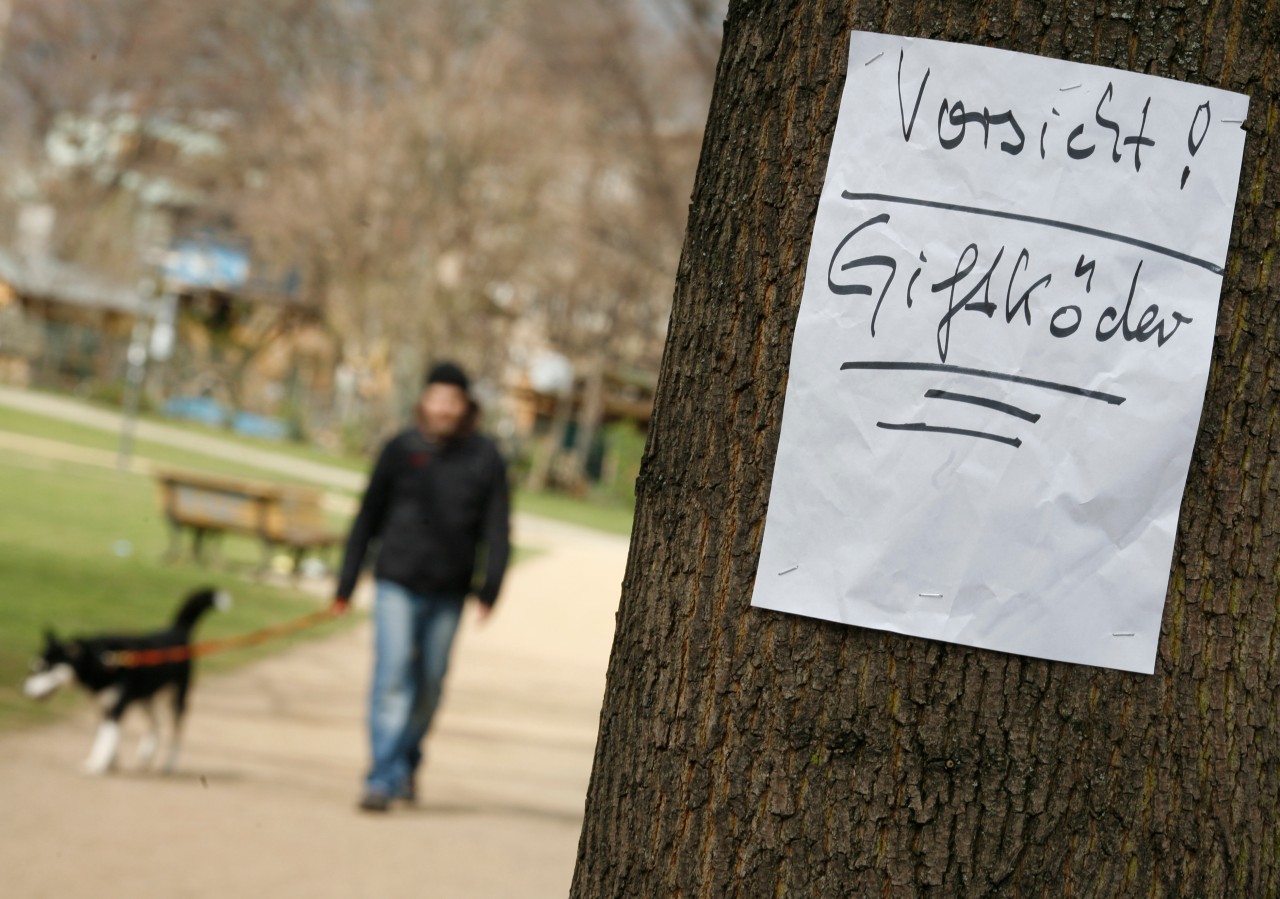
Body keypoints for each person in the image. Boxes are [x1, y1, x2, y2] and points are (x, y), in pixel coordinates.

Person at [332, 361, 511, 812]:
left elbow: (498, 526)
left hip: (449, 589)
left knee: (429, 684)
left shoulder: (484, 456)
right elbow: (367, 516)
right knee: (391, 677)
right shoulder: (400, 448)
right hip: (395, 581)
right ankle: (381, 777)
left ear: (466, 406)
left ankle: (407, 758)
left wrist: (490, 588)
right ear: (424, 400)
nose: (444, 407)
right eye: (436, 397)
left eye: (453, 400)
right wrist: (346, 582)